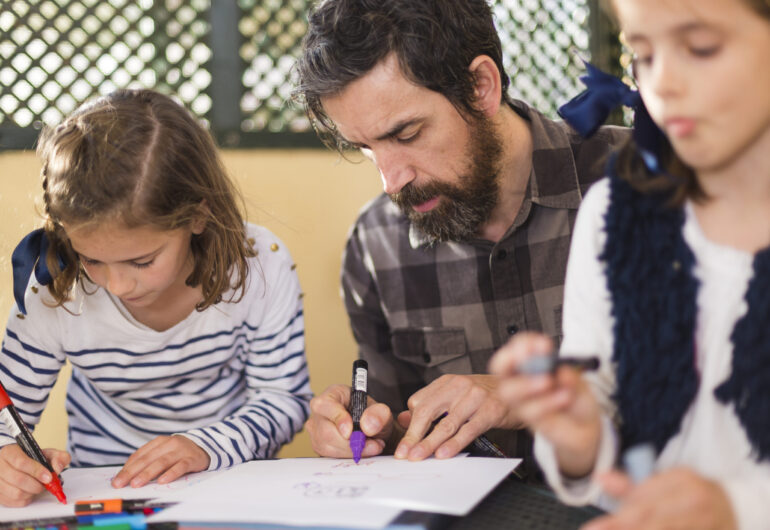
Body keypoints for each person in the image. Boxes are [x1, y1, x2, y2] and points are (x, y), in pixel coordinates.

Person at [292, 0, 627, 473]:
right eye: (365, 148)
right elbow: (397, 424)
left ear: (481, 87)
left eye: (406, 133)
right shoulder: (376, 245)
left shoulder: (644, 183)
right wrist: (366, 429)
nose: (391, 181)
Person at [489, 0, 770, 527]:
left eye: (701, 47)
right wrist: (578, 431)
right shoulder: (615, 219)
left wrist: (738, 510)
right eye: (642, 53)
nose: (661, 83)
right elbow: (599, 405)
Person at [0, 89, 312, 507]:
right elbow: (7, 417)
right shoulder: (53, 283)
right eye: (91, 259)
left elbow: (283, 398)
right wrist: (7, 462)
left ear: (199, 215)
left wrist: (207, 447)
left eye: (142, 261)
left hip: (230, 481)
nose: (117, 286)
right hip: (104, 489)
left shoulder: (260, 265)